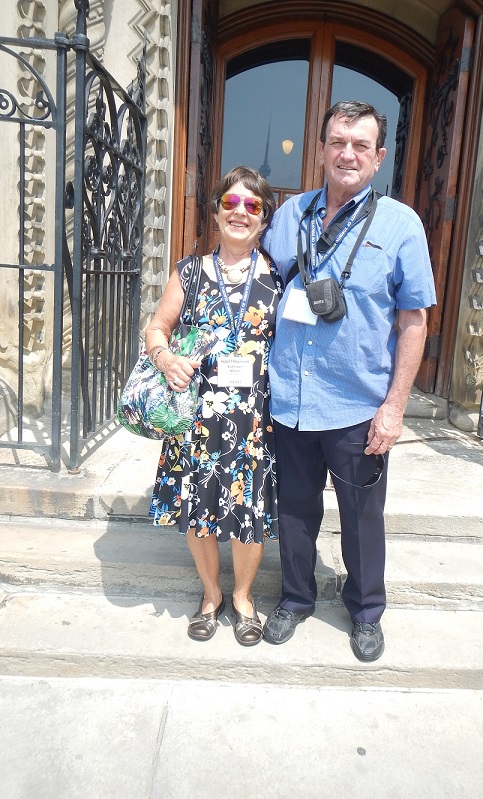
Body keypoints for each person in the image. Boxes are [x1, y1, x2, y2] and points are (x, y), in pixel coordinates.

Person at [261, 100, 436, 661]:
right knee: (294, 508)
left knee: (362, 519)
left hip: (359, 406)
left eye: (361, 145)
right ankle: (295, 597)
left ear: (379, 156)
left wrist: (394, 407)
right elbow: (257, 290)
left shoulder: (400, 223)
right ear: (320, 150)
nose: (348, 154)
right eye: (338, 142)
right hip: (290, 398)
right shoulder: (291, 216)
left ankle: (365, 608)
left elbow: (414, 320)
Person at [146, 166, 282, 647]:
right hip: (196, 418)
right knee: (198, 511)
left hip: (253, 423)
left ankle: (243, 598)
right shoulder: (189, 271)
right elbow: (156, 328)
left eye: (252, 206)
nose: (240, 213)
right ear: (216, 211)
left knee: (248, 513)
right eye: (231, 203)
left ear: (264, 219)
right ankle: (211, 596)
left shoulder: (279, 276)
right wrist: (165, 358)